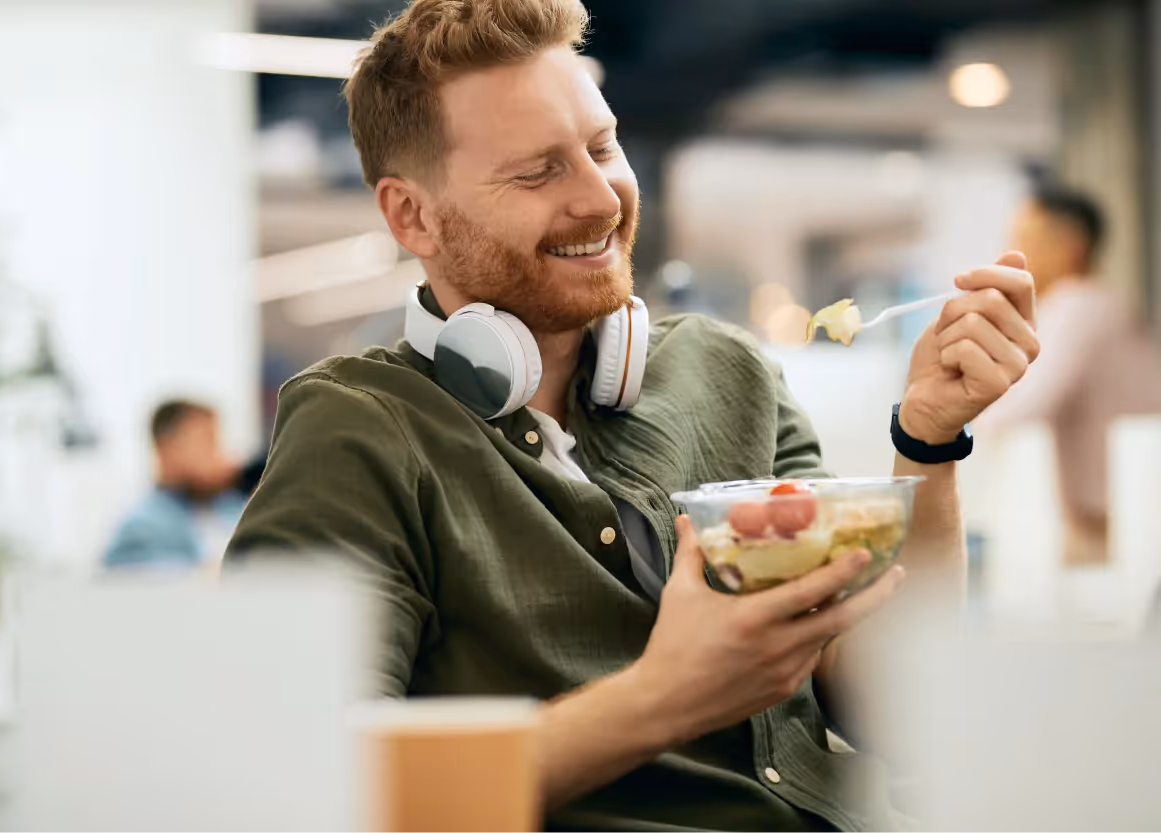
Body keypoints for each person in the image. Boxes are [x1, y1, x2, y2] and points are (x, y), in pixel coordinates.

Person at [227, 2, 1039, 829]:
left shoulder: (729, 374)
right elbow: (302, 783)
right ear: (412, 215)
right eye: (538, 171)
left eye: (602, 146)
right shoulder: (359, 429)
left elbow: (895, 704)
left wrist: (929, 439)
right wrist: (660, 698)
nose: (600, 197)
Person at [981, 183, 1161, 564]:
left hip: (1110, 517)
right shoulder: (1102, 303)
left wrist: (949, 426)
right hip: (1123, 507)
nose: (1010, 254)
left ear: (1069, 246)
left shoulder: (1074, 305)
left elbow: (1026, 403)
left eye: (1024, 240)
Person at [104, 400, 248, 571]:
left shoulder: (235, 510)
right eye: (208, 441)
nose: (221, 455)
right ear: (165, 448)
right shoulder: (140, 529)